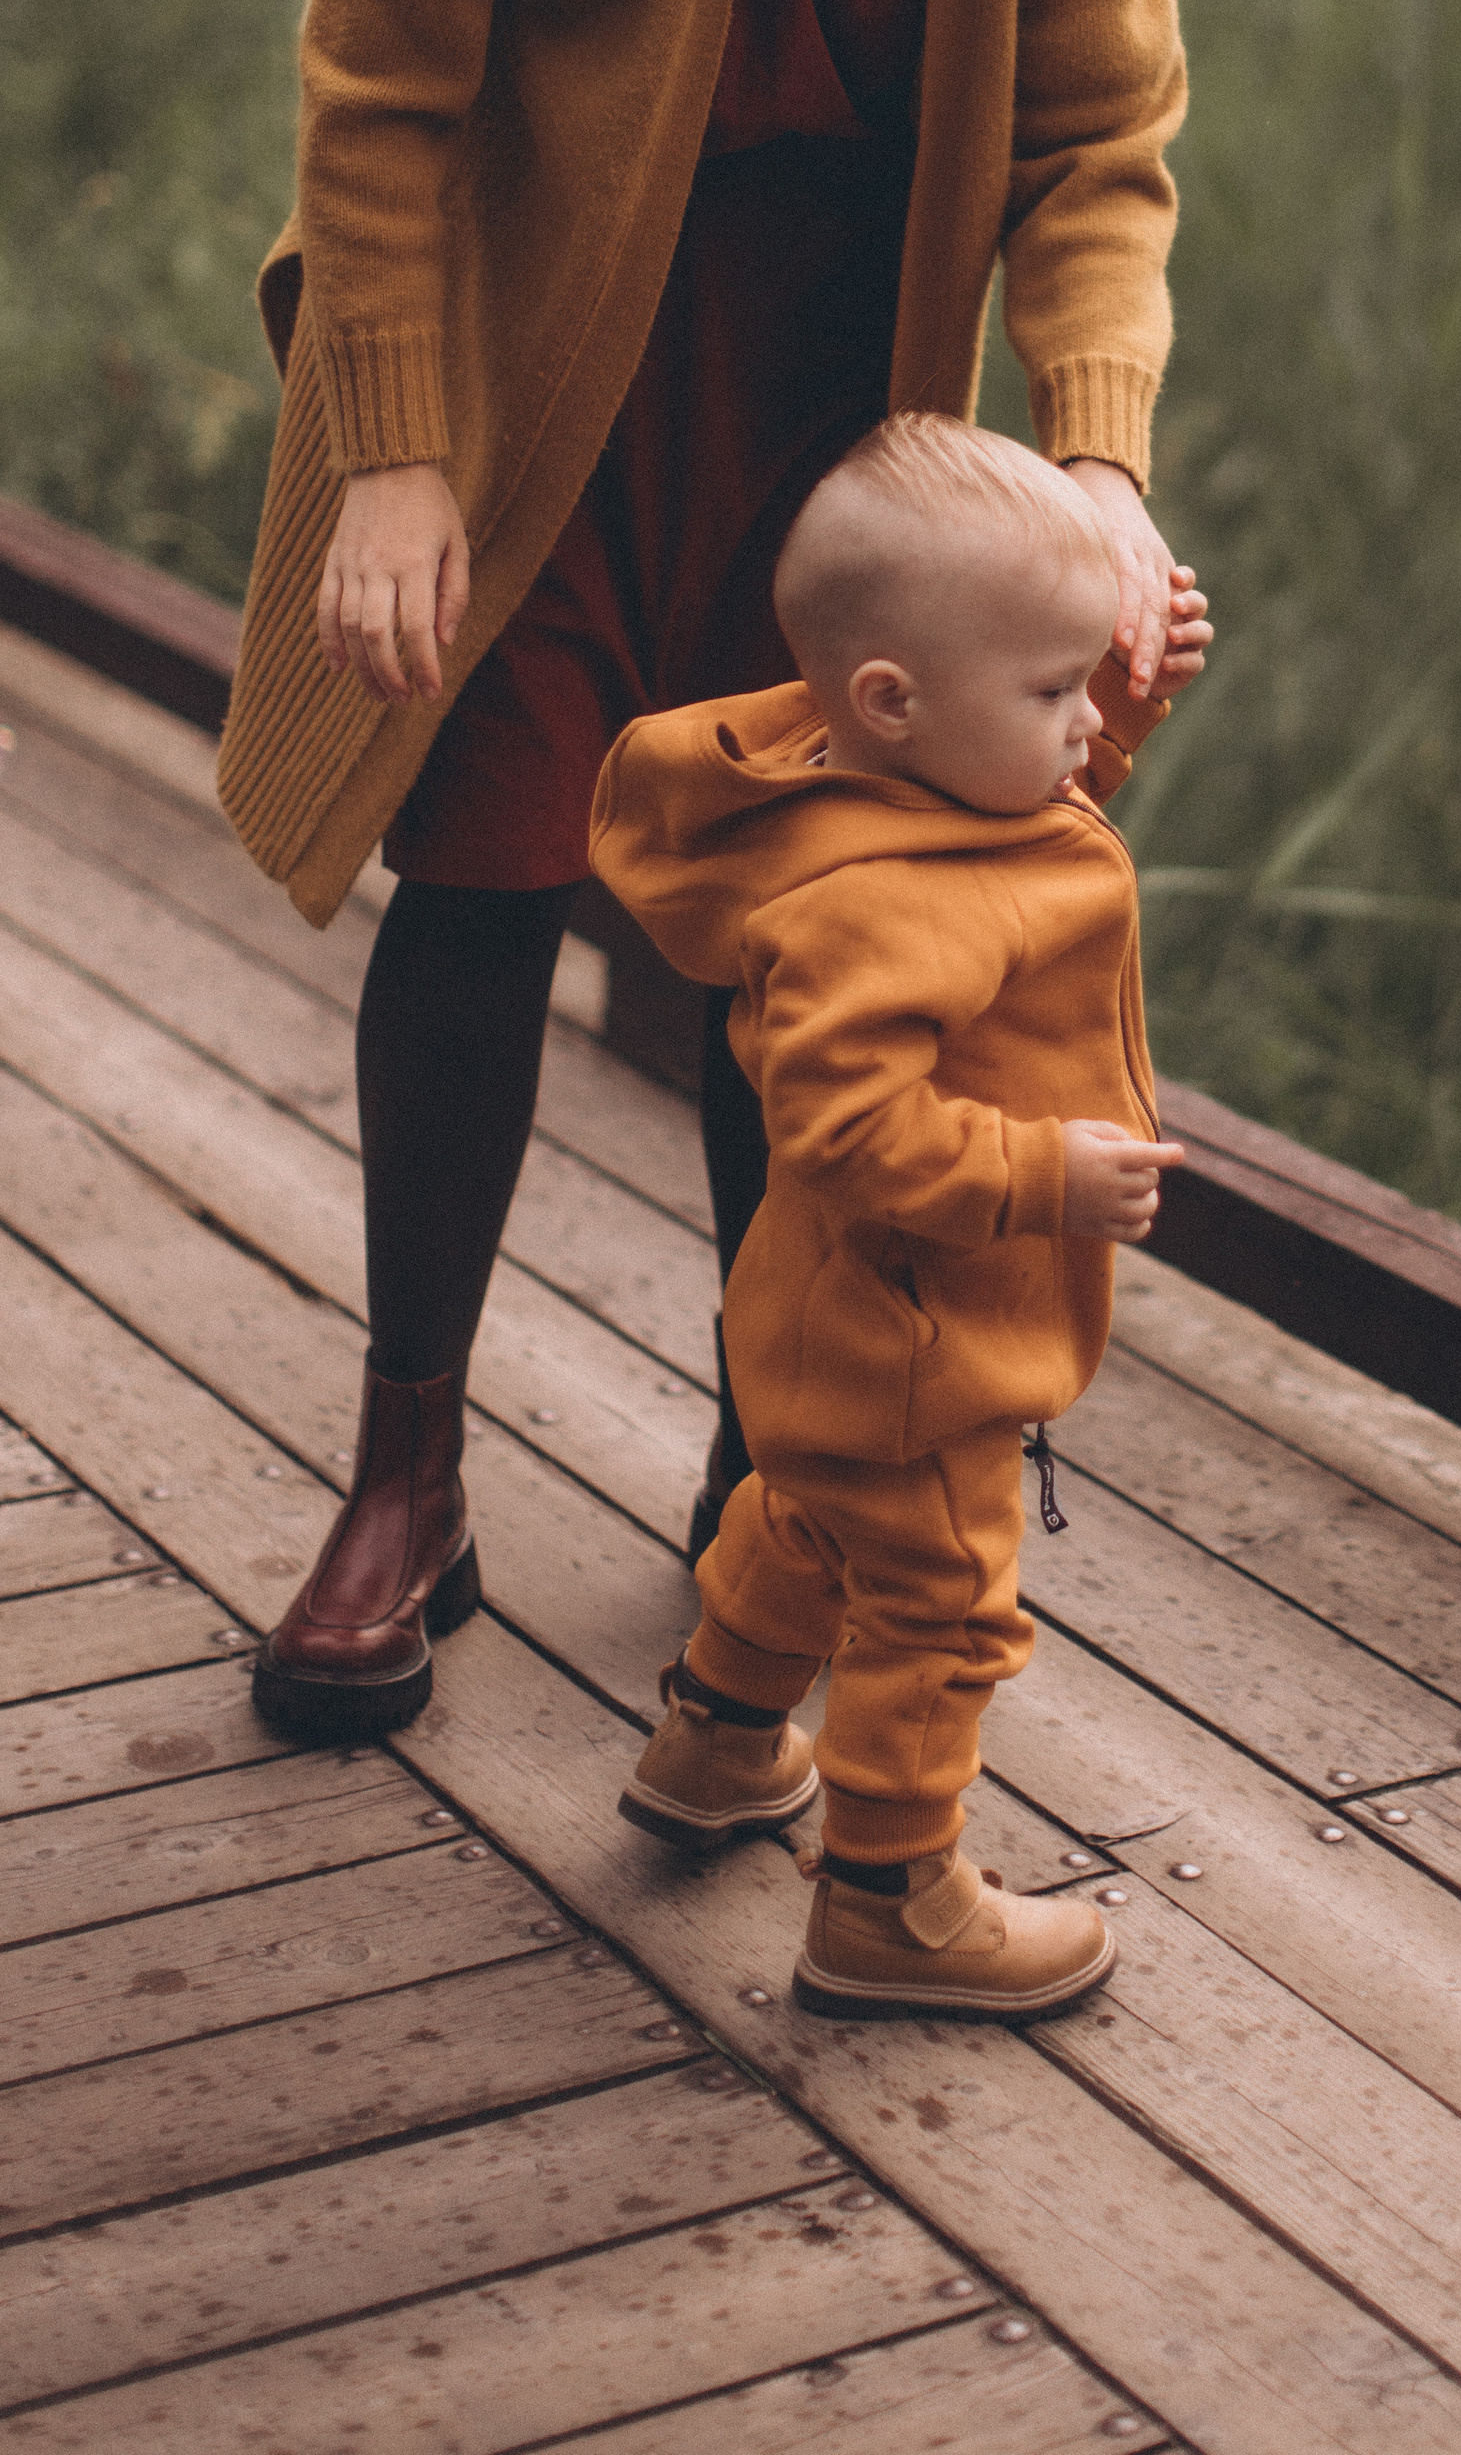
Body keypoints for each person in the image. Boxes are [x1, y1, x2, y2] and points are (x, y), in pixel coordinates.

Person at [214, 0, 1210, 1743]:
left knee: (825, 933)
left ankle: (774, 1473)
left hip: (828, 433)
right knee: (488, 879)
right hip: (544, 383)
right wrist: (395, 456)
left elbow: (1100, 147)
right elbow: (386, 71)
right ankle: (402, 1474)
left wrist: (1093, 483)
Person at [596, 417, 1198, 2018]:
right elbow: (850, 1127)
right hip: (920, 1334)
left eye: (1089, 689)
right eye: (1057, 692)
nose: (1082, 731)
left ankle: (717, 1745)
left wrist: (1123, 692)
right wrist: (1039, 1179)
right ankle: (888, 1902)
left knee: (804, 1522)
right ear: (892, 703)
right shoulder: (862, 910)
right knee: (939, 1606)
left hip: (836, 1329)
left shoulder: (900, 793)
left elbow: (1021, 839)